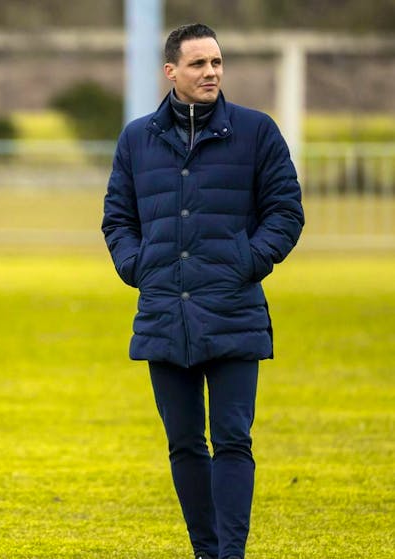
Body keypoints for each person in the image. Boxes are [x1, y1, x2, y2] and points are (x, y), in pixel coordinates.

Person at [102, 23, 304, 559]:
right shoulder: (136, 137)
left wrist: (244, 261)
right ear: (171, 72)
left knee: (233, 440)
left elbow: (286, 213)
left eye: (216, 62)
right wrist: (137, 265)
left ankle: (230, 555)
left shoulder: (257, 132)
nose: (211, 72)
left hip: (234, 310)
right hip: (164, 312)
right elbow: (117, 218)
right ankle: (205, 550)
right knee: (185, 444)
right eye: (198, 64)